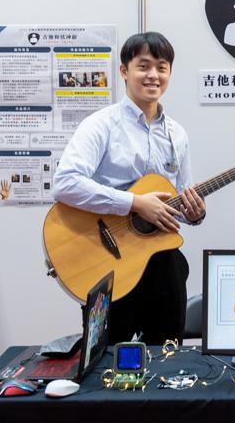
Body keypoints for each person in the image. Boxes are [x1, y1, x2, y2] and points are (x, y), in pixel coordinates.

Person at [52, 32, 205, 344]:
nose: (153, 75)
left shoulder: (177, 134)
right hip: (107, 262)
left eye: (162, 67)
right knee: (105, 359)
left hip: (162, 263)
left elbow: (179, 201)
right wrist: (134, 203)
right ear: (124, 71)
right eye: (143, 66)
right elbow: (65, 183)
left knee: (167, 354)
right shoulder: (101, 125)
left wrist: (195, 213)